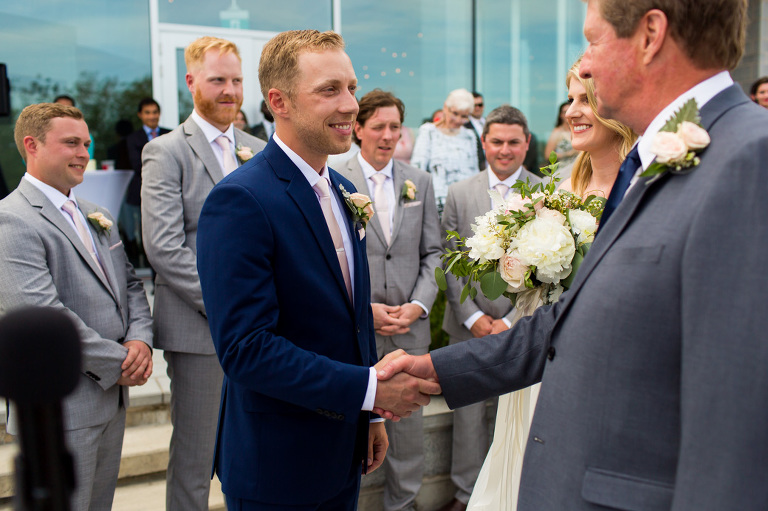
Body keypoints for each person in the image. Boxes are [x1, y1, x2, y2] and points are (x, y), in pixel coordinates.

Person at [377, 0, 768, 509]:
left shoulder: (748, 162)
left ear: (650, 35)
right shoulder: (652, 161)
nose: (583, 65)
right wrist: (439, 367)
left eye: (593, 39)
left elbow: (735, 423)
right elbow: (568, 323)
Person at [195, 30, 440, 511]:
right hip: (279, 462)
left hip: (342, 448)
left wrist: (369, 414)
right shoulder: (240, 200)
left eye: (351, 87)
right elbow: (246, 349)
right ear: (278, 101)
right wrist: (370, 388)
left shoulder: (344, 188)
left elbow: (350, 314)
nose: (351, 104)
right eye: (330, 90)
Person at [467, 60, 636, 511]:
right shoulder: (558, 189)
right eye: (571, 100)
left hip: (600, 372)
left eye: (586, 100)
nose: (571, 112)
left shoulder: (643, 188)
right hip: (535, 363)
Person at [0, 103, 153, 510]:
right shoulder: (11, 220)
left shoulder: (96, 213)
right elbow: (42, 313)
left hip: (110, 401)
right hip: (61, 408)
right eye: (71, 143)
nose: (85, 153)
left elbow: (132, 285)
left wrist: (141, 339)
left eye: (86, 142)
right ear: (31, 145)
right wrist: (122, 361)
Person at [140, 36, 266, 511]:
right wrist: (231, 305)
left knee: (249, 448)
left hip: (260, 330)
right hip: (200, 331)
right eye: (218, 80)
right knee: (195, 458)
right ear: (191, 81)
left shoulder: (257, 148)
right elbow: (164, 247)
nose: (230, 91)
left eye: (236, 80)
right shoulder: (167, 151)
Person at [339, 89, 442, 511]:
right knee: (350, 434)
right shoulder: (334, 178)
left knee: (409, 441)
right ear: (358, 128)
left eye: (395, 127)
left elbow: (433, 252)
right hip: (355, 331)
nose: (387, 135)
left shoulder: (420, 180)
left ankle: (404, 506)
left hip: (409, 332)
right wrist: (364, 311)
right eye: (378, 126)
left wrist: (418, 306)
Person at [438, 105, 542, 511]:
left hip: (523, 328)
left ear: (526, 144)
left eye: (513, 142)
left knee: (518, 416)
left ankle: (515, 495)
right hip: (470, 324)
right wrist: (475, 317)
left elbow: (551, 271)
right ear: (484, 143)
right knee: (467, 419)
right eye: (496, 141)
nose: (504, 150)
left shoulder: (545, 194)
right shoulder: (460, 192)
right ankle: (466, 496)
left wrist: (511, 320)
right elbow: (448, 260)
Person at [411, 88, 480, 213]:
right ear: (445, 108)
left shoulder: (470, 135)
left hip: (465, 205)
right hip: (435, 206)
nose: (458, 120)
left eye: (464, 116)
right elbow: (417, 170)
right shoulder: (428, 132)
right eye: (455, 113)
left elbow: (474, 173)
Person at [123, 98, 170, 266]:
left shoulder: (170, 133)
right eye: (148, 113)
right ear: (140, 115)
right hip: (144, 193)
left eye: (155, 112)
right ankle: (153, 270)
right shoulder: (133, 138)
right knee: (150, 234)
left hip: (171, 190)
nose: (152, 116)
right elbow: (138, 165)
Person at [464, 92, 487, 170]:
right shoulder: (464, 126)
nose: (477, 108)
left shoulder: (490, 123)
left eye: (480, 105)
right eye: (474, 105)